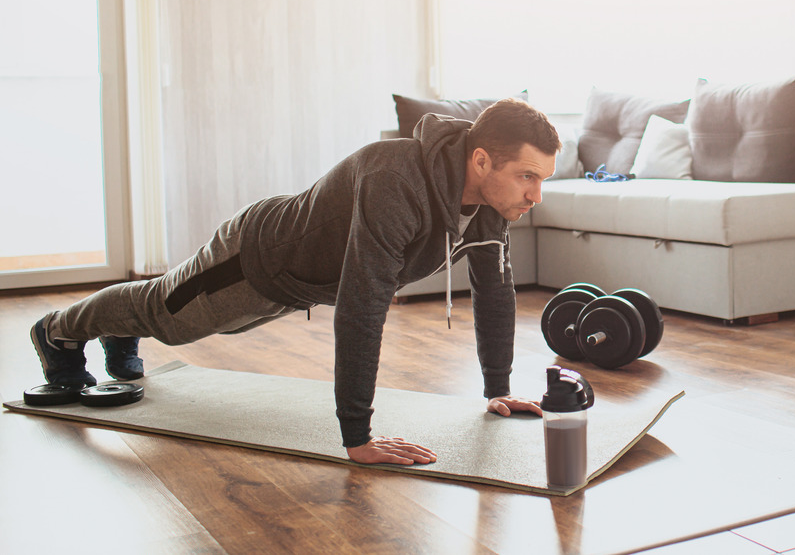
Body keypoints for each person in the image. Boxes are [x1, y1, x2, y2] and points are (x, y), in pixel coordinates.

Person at [30, 98, 561, 465]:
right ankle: (57, 331)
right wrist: (358, 438)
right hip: (254, 254)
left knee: (167, 320)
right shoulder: (394, 179)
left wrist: (499, 390)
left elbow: (495, 294)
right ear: (482, 159)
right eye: (527, 176)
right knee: (167, 318)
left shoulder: (492, 209)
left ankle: (122, 331)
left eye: (543, 179)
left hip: (301, 283)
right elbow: (364, 305)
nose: (535, 196)